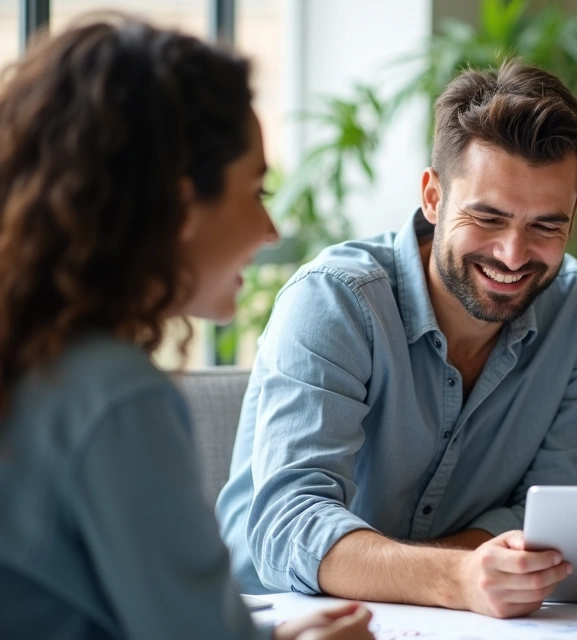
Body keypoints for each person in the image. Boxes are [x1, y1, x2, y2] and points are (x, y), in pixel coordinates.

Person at [0, 17, 373, 640]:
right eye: (255, 190)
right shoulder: (114, 395)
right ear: (178, 207)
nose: (270, 231)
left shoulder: (35, 360)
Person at [216, 60, 577, 618]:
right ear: (432, 196)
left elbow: (562, 513)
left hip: (466, 622)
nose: (513, 254)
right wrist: (457, 575)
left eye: (546, 225)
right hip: (283, 617)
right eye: (488, 217)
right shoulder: (335, 299)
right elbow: (290, 523)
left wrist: (459, 576)